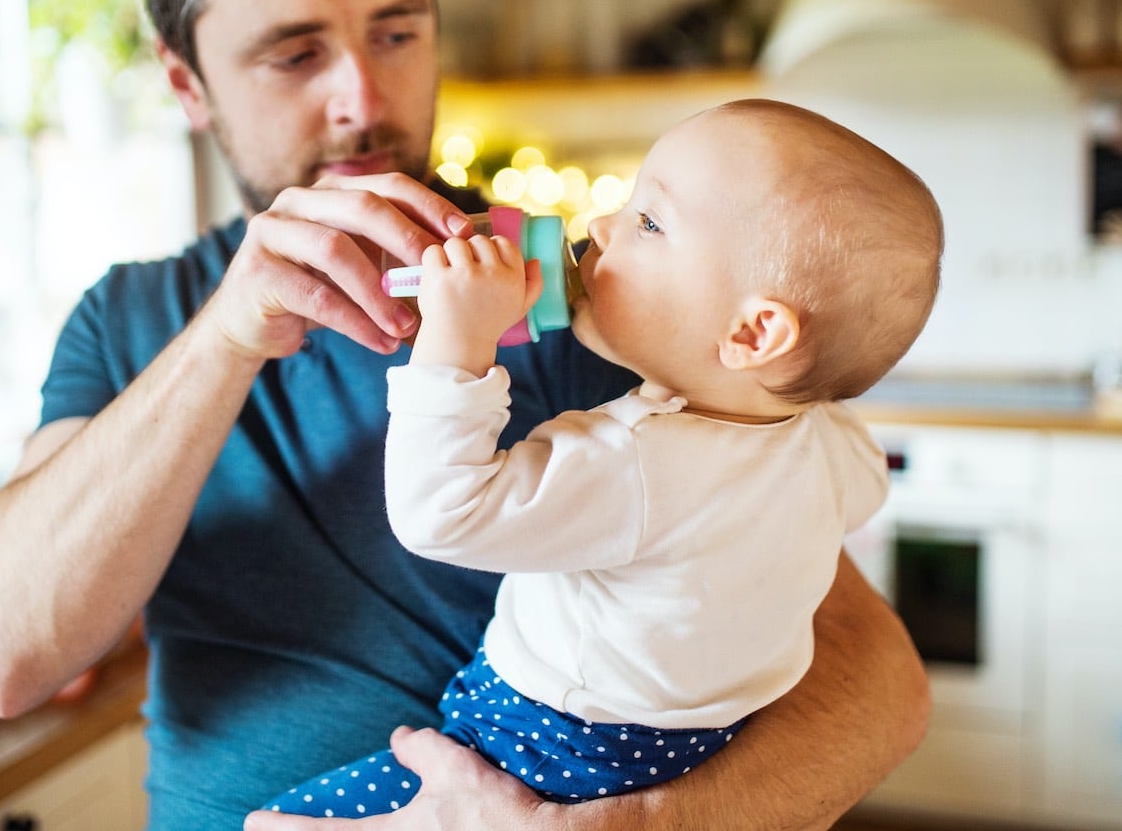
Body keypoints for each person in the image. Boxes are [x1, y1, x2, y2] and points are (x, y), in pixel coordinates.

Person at [0, 0, 930, 829]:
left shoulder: (586, 294)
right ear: (184, 82)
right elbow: (2, 661)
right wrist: (224, 337)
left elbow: (873, 685)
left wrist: (631, 829)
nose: (361, 97)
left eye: (396, 31)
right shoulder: (130, 318)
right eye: (293, 54)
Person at [264, 99, 943, 819]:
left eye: (650, 223)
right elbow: (863, 492)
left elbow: (439, 516)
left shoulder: (635, 464)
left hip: (543, 751)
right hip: (697, 746)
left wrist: (457, 344)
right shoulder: (829, 445)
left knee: (271, 823)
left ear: (752, 333)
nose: (601, 226)